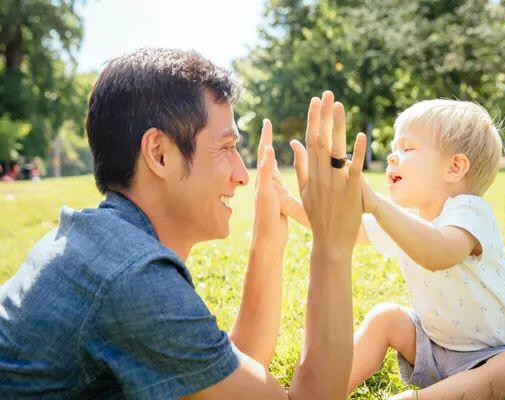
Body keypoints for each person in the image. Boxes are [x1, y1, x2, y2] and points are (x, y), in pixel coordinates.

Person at [0, 48, 367, 399]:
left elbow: (222, 383)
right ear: (159, 154)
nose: (242, 175)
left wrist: (268, 241)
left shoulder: (100, 243)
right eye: (225, 148)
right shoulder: (135, 280)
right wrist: (332, 243)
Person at [278, 99, 505, 400]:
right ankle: (326, 391)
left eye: (407, 149)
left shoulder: (471, 211)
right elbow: (344, 229)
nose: (391, 157)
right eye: (394, 148)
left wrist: (375, 204)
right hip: (433, 347)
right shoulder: (409, 218)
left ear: (454, 167)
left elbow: (438, 252)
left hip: (491, 356)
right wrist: (293, 206)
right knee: (386, 317)